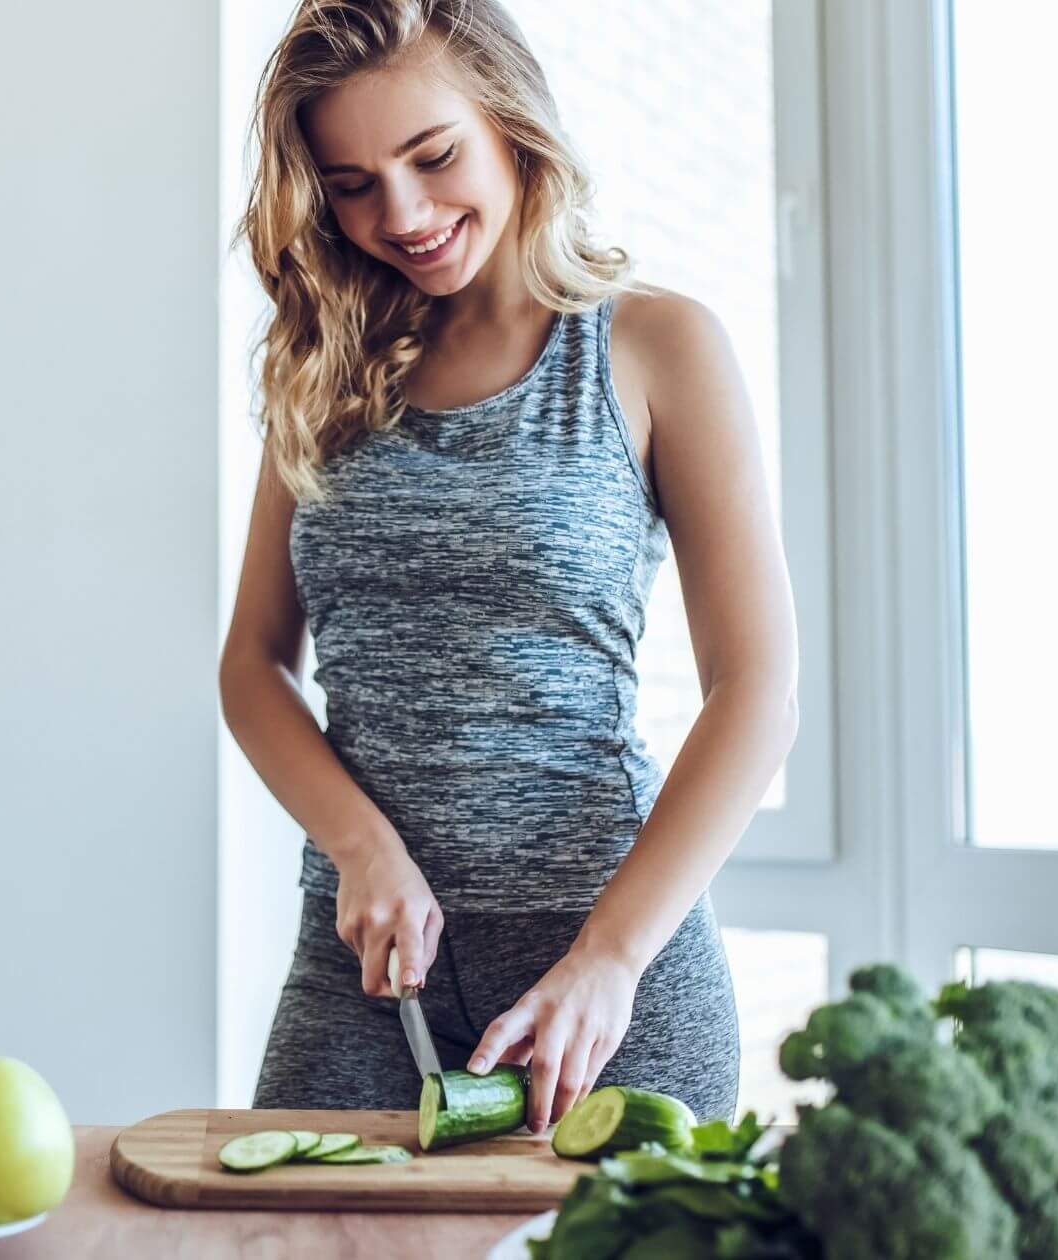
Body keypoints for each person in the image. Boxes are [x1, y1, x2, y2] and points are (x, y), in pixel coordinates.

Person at [220, 0, 799, 1133]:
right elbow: (250, 664)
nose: (403, 214)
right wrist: (358, 845)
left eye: (432, 157)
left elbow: (758, 692)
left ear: (510, 124)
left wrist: (611, 957)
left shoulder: (653, 346)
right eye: (349, 182)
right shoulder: (321, 369)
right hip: (365, 969)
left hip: (602, 965)